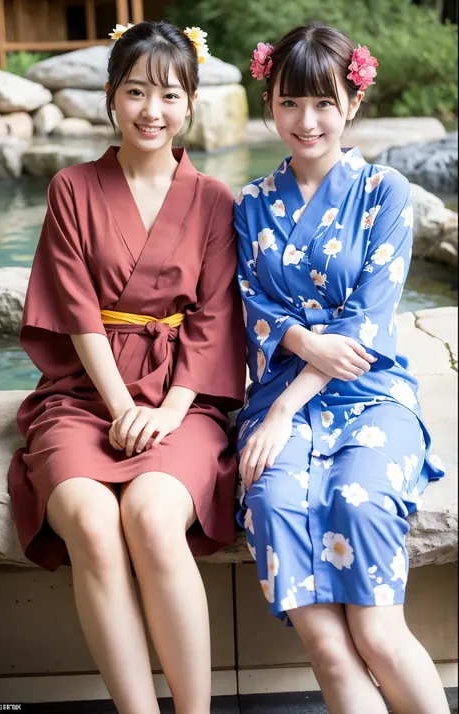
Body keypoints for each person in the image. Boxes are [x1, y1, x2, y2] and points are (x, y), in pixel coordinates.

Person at [8, 20, 246, 714]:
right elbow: (77, 311)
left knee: (149, 510)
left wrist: (168, 410)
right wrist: (120, 410)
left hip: (181, 399)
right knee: (85, 514)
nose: (151, 109)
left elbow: (213, 319)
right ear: (111, 97)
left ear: (191, 104)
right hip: (84, 395)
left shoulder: (213, 201)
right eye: (136, 91)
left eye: (169, 94)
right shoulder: (72, 189)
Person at [235, 23, 448, 714]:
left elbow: (367, 320)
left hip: (370, 397)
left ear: (352, 103)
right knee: (273, 507)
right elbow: (253, 304)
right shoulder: (249, 204)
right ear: (269, 102)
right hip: (280, 397)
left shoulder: (385, 192)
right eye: (290, 101)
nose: (307, 121)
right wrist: (302, 346)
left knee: (378, 631)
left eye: (324, 102)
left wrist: (287, 403)